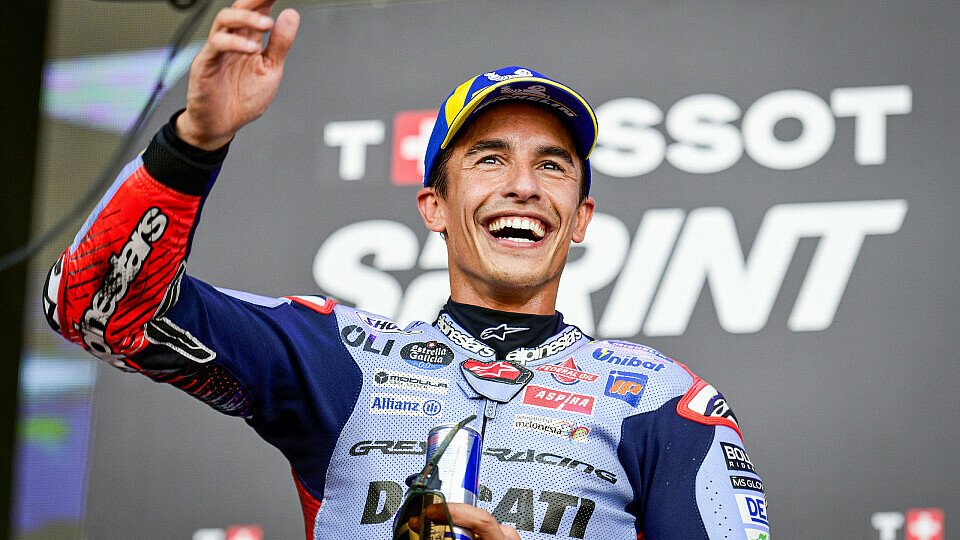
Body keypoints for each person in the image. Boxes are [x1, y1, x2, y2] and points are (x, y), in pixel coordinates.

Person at [42, 1, 768, 539]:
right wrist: (193, 142)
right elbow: (96, 309)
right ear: (434, 206)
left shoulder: (662, 402)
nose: (523, 184)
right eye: (489, 159)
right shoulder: (337, 357)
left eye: (552, 165)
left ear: (579, 218)